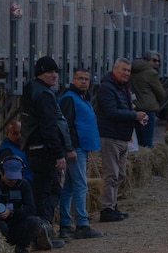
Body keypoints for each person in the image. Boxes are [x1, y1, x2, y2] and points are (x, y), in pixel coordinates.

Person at [20, 56, 71, 248]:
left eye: (56, 71)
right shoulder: (44, 95)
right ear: (40, 73)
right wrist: (58, 154)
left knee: (42, 191)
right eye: (49, 72)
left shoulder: (31, 88)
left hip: (34, 149)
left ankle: (41, 231)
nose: (54, 75)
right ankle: (41, 232)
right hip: (44, 151)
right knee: (49, 191)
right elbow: (49, 127)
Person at [97, 58, 147, 222]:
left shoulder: (124, 87)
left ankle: (112, 204)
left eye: (128, 71)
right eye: (123, 70)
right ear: (115, 70)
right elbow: (111, 111)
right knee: (111, 174)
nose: (126, 73)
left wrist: (136, 116)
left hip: (122, 136)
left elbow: (125, 108)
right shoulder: (106, 88)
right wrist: (134, 115)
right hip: (110, 136)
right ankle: (106, 209)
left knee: (120, 174)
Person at [58, 69, 104, 239]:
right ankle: (82, 224)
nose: (84, 82)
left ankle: (65, 224)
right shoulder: (70, 98)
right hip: (75, 148)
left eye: (86, 79)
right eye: (80, 79)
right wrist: (69, 149)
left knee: (70, 187)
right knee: (80, 185)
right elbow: (65, 126)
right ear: (73, 80)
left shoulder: (81, 98)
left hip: (79, 147)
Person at [0, 156, 53, 253]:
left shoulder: (24, 185)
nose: (12, 180)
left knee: (35, 221)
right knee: (1, 226)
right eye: (9, 177)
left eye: (15, 177)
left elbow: (31, 210)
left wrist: (11, 212)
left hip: (17, 224)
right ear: (1, 172)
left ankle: (21, 247)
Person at [130, 51, 166, 148]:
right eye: (154, 60)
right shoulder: (151, 73)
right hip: (148, 109)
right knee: (147, 140)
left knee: (137, 140)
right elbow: (161, 93)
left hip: (135, 108)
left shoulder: (133, 70)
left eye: (159, 61)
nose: (157, 63)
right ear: (147, 60)